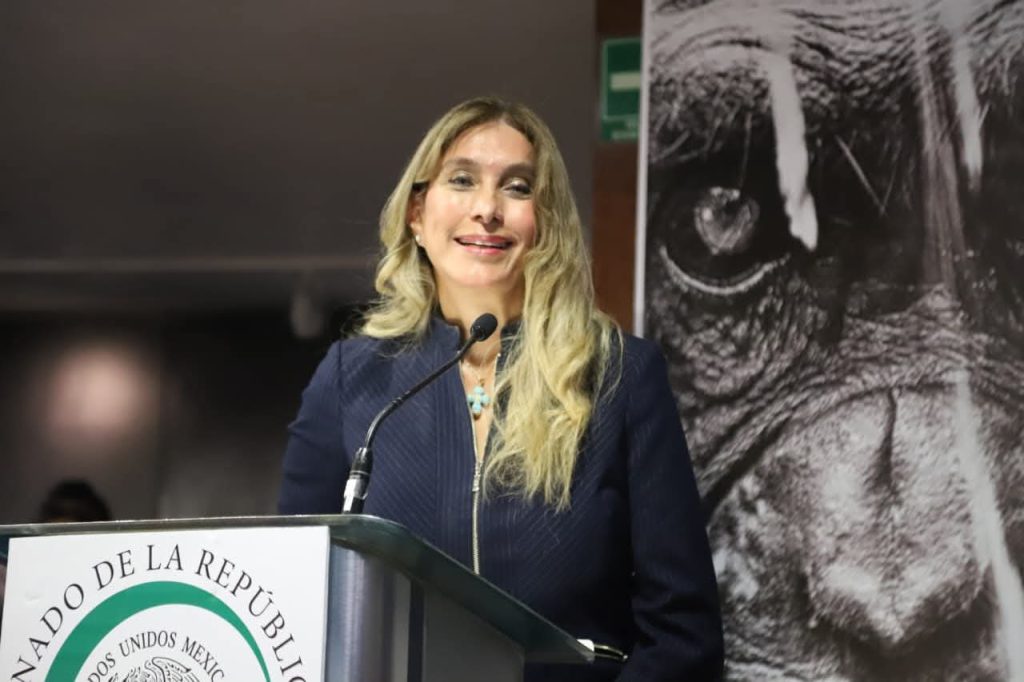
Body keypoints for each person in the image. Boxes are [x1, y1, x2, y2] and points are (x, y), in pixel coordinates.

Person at [278, 96, 724, 681]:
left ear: (546, 223)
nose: (487, 209)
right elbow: (291, 597)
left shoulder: (621, 376)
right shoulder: (350, 379)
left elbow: (684, 634)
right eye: (462, 180)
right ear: (417, 213)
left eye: (517, 187)